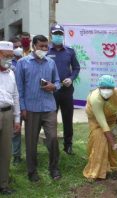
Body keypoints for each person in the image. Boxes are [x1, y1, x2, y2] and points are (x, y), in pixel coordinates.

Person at [15, 35, 61, 182]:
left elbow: (58, 81)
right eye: (41, 46)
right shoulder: (23, 63)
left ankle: (54, 168)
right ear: (34, 46)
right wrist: (22, 108)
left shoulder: (51, 63)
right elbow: (19, 88)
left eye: (46, 46)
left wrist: (54, 86)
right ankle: (32, 171)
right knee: (31, 141)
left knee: (53, 138)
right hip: (31, 108)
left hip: (49, 107)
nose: (43, 49)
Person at [83, 75, 117, 180]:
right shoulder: (95, 98)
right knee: (100, 139)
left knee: (112, 138)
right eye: (103, 88)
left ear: (114, 88)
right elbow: (104, 125)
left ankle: (112, 167)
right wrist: (115, 145)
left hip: (112, 120)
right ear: (99, 88)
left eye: (109, 88)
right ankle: (96, 172)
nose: (106, 90)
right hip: (96, 121)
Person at [47, 24, 80, 155]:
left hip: (66, 89)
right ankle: (52, 145)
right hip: (51, 90)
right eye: (56, 34)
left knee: (67, 118)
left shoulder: (70, 51)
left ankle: (68, 145)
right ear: (51, 35)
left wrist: (71, 78)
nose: (58, 36)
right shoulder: (47, 51)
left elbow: (76, 68)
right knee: (50, 119)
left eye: (60, 34)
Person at [0, 41, 20, 195]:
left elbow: (15, 96)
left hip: (7, 113)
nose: (8, 59)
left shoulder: (11, 72)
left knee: (6, 150)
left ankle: (3, 184)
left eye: (10, 56)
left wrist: (17, 118)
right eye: (5, 56)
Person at [9, 37, 23, 165]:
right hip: (14, 99)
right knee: (16, 129)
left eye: (19, 46)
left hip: (26, 99)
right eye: (15, 46)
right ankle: (16, 155)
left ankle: (31, 153)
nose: (18, 48)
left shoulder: (27, 60)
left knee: (32, 128)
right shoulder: (7, 62)